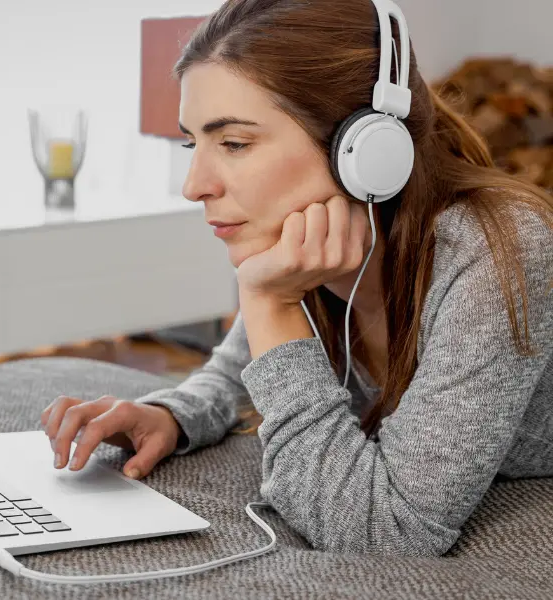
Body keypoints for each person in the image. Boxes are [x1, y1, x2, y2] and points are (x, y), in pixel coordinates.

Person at [40, 0, 553, 557]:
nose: (194, 186)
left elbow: (388, 533)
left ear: (366, 150)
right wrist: (171, 414)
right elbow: (236, 374)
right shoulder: (310, 250)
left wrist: (270, 305)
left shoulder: (499, 249)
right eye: (194, 143)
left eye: (233, 143)